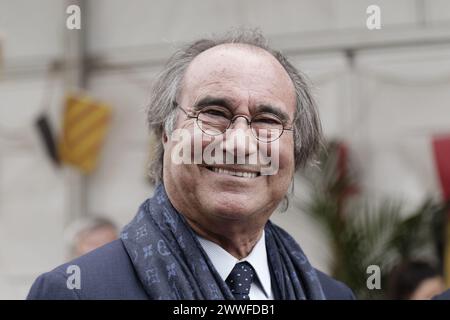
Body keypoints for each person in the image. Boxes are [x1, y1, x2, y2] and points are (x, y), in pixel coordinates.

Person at [27, 30, 355, 300]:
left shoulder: (332, 296)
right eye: (214, 113)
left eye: (267, 120)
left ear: (295, 150)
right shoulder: (78, 292)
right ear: (166, 134)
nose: (239, 144)